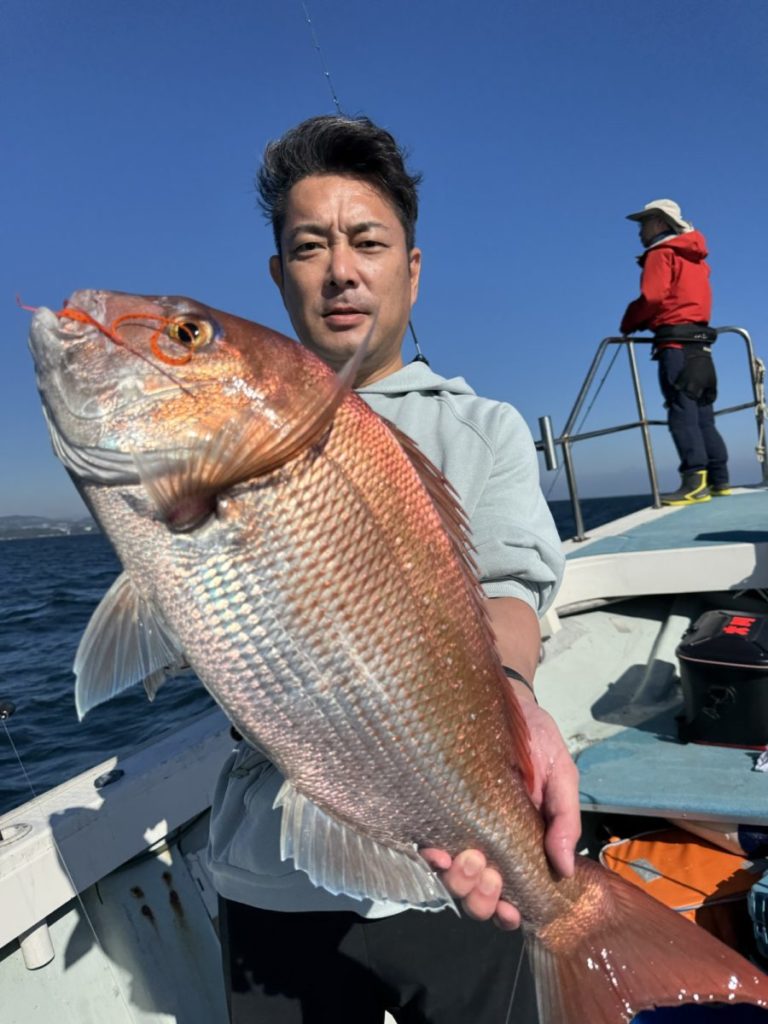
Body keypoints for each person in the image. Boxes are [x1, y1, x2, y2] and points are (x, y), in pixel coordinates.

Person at [207, 114, 580, 1024]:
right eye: (310, 247)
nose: (340, 269)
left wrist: (512, 697)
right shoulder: (227, 433)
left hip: (452, 876)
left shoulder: (481, 428)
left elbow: (509, 593)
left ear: (412, 268)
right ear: (278, 276)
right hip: (269, 871)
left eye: (367, 242)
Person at [620, 198, 731, 505]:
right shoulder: (696, 258)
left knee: (682, 413)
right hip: (702, 348)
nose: (639, 231)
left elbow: (653, 297)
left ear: (659, 222)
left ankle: (694, 483)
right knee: (703, 416)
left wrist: (630, 322)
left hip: (676, 347)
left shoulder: (661, 253)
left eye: (643, 224)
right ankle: (720, 480)